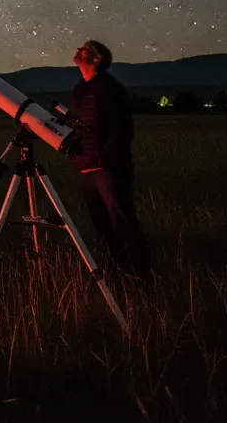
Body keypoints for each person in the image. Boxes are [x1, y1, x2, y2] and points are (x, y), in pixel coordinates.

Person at [71, 40, 150, 276]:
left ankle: (138, 274)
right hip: (87, 167)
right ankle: (113, 272)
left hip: (109, 168)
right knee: (102, 225)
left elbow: (122, 129)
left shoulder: (110, 88)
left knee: (122, 222)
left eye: (84, 49)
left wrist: (104, 159)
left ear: (97, 59)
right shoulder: (80, 89)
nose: (78, 49)